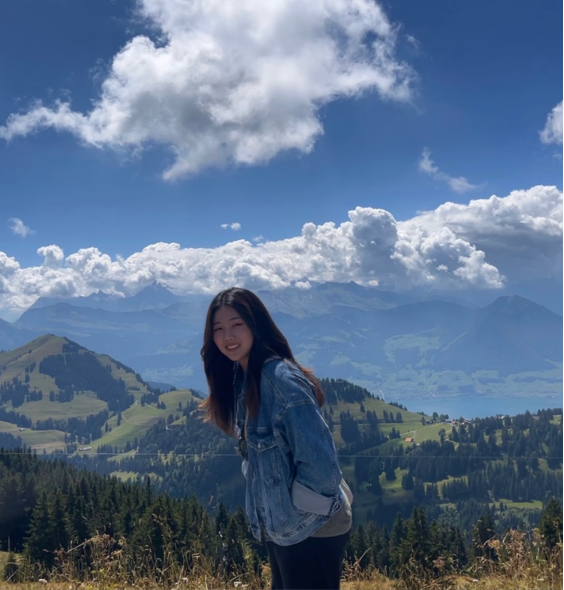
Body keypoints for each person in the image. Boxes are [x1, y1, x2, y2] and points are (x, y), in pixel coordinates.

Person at [201, 287, 353, 590]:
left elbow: (321, 466)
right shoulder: (246, 376)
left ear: (256, 325)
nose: (227, 336)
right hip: (285, 528)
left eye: (236, 324)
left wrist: (293, 512)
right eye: (218, 329)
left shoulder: (281, 381)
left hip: (312, 528)